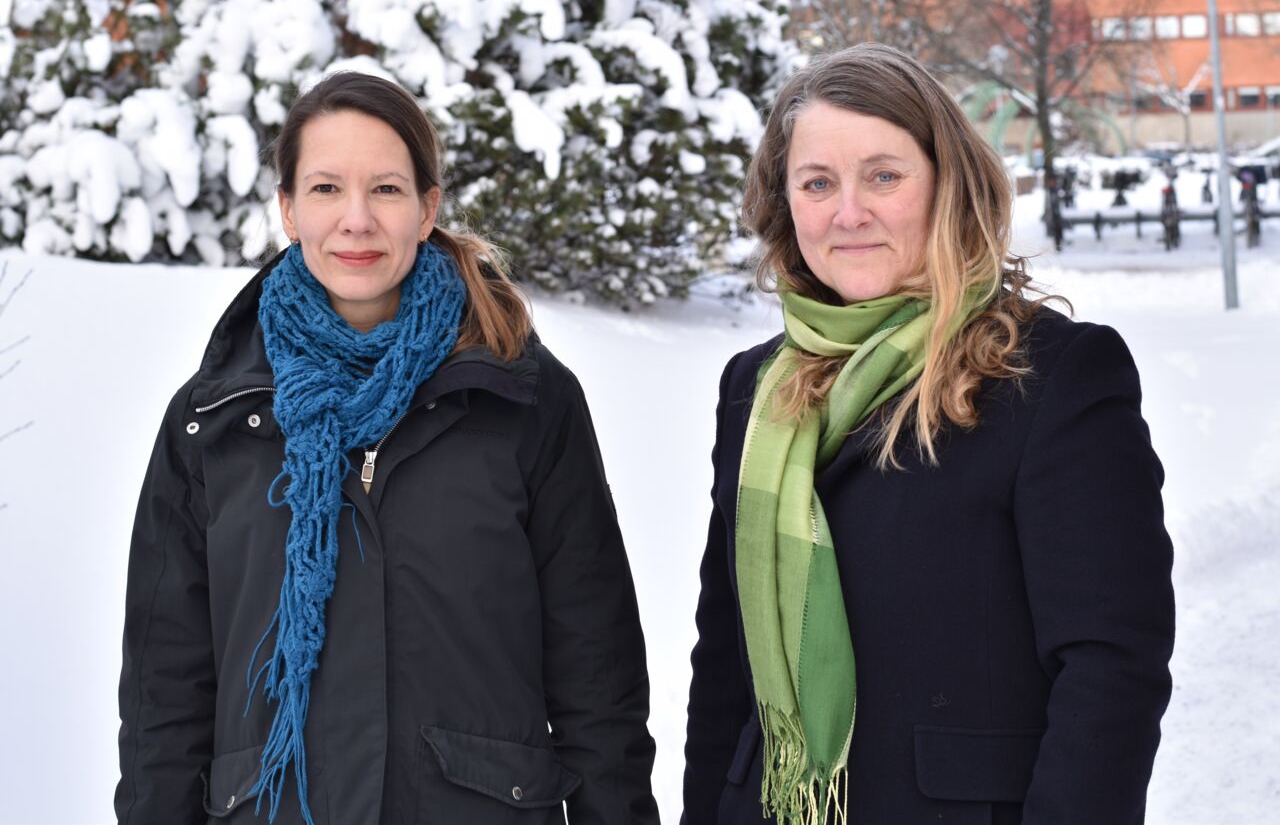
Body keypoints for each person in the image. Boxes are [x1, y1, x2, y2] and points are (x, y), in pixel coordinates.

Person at [116, 71, 659, 825]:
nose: (357, 220)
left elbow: (597, 680)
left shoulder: (523, 398)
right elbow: (162, 697)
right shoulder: (212, 420)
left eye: (388, 190)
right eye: (327, 188)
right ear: (288, 209)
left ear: (429, 207)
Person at [682, 44, 1174, 825]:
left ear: (948, 183)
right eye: (818, 182)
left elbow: (1112, 670)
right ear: (785, 204)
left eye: (883, 175)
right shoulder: (755, 385)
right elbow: (724, 664)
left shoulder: (1054, 374)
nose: (849, 212)